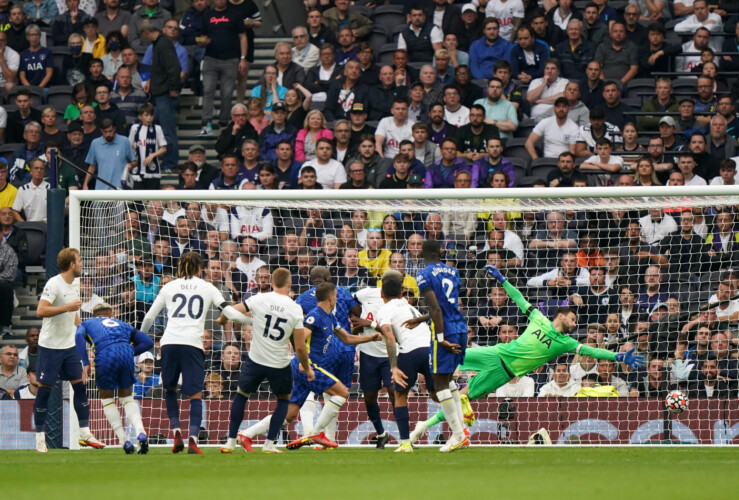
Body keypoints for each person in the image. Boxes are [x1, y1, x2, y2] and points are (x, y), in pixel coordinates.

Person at [408, 264, 645, 443]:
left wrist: (618, 357)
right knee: (448, 354)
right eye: (573, 319)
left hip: (503, 374)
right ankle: (417, 369)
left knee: (462, 398)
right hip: (495, 353)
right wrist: (502, 280)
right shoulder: (538, 317)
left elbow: (591, 349)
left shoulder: (566, 343)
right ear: (561, 315)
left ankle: (423, 426)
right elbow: (519, 298)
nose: (575, 324)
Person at [236, 281, 378, 450]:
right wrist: (304, 363)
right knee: (342, 392)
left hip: (307, 366)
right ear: (331, 297)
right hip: (308, 366)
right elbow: (300, 338)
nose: (337, 299)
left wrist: (370, 338)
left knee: (290, 414)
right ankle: (316, 433)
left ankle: (246, 434)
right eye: (336, 296)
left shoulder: (330, 317)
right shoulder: (315, 316)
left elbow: (347, 338)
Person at [140, 252, 251, 454]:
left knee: (170, 390)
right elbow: (230, 313)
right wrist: (253, 321)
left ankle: (176, 433)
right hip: (192, 344)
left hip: (169, 343)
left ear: (180, 267)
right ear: (200, 269)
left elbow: (149, 317)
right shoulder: (208, 287)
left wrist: (139, 339)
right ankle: (192, 438)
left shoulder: (168, 287)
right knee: (196, 394)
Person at [217, 268, 309, 454]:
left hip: (256, 360)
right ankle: (269, 444)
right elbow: (299, 346)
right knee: (283, 401)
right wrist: (307, 368)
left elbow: (233, 311)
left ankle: (230, 442)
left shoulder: (259, 298)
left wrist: (223, 317)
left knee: (241, 396)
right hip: (279, 363)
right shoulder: (295, 308)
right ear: (290, 283)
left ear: (272, 282)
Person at [33, 248, 104, 453]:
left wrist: (88, 339)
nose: (82, 264)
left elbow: (74, 317)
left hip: (70, 346)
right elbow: (40, 310)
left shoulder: (75, 285)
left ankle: (85, 434)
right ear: (72, 264)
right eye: (79, 261)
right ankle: (40, 439)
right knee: (45, 391)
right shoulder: (54, 283)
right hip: (50, 347)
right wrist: (67, 307)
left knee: (80, 387)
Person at [412, 239, 469, 452]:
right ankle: (462, 432)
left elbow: (436, 308)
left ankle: (458, 435)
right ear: (441, 253)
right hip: (460, 327)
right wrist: (421, 319)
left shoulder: (423, 275)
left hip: (444, 330)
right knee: (448, 380)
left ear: (421, 253)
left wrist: (441, 337)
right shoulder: (453, 271)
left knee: (439, 383)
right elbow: (448, 306)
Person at [75, 302, 154, 453]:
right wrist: (130, 351)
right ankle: (141, 432)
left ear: (94, 315)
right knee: (127, 397)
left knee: (107, 399)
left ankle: (124, 441)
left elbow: (78, 335)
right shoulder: (122, 324)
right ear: (111, 314)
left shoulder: (87, 323)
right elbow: (148, 342)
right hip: (125, 353)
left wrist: (85, 362)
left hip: (105, 355)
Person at [198, 0, 247, 136]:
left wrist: (243, 58)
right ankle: (206, 123)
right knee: (208, 90)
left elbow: (243, 36)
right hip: (210, 58)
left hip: (231, 59)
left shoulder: (235, 14)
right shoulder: (208, 15)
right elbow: (203, 35)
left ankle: (223, 122)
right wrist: (202, 42)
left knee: (227, 93)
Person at [138, 19, 180, 172]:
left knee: (167, 131)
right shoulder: (159, 44)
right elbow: (161, 68)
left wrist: (173, 88)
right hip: (159, 92)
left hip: (164, 94)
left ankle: (170, 163)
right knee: (160, 130)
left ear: (146, 32)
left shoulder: (163, 44)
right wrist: (151, 80)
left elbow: (174, 67)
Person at [84, 118, 136, 190]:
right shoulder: (95, 143)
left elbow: (134, 161)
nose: (108, 134)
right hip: (101, 189)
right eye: (105, 132)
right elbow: (92, 166)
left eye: (110, 131)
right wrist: (85, 183)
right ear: (101, 130)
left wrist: (131, 165)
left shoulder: (124, 141)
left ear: (114, 129)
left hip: (119, 189)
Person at [128, 103, 167, 190]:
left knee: (152, 197)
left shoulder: (157, 128)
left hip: (152, 170)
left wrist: (152, 155)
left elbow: (164, 148)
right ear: (140, 116)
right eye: (146, 115)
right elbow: (129, 144)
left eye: (151, 115)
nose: (149, 118)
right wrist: (134, 149)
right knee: (137, 197)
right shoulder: (135, 128)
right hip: (137, 170)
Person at [469, 17, 512, 81]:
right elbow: (474, 66)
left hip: (500, 80)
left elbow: (506, 66)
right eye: (489, 29)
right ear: (484, 31)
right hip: (480, 81)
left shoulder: (507, 45)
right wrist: (482, 79)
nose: (492, 32)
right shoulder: (475, 45)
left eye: (494, 28)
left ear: (498, 29)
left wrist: (496, 81)